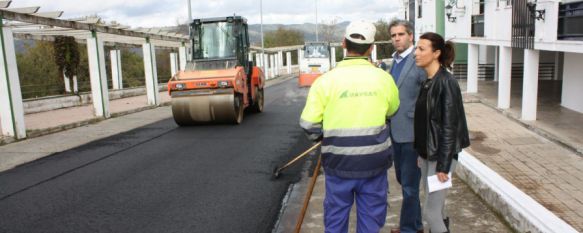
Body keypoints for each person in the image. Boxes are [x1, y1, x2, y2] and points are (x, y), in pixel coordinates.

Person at [300, 20, 400, 233]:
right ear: (371, 48)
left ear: (344, 43)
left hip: (338, 163)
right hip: (374, 163)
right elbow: (392, 111)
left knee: (336, 219)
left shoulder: (325, 81)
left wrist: (321, 138)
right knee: (371, 222)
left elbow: (308, 123)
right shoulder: (384, 79)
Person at [413, 32, 470, 233]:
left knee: (431, 213)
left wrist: (444, 166)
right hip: (429, 155)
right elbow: (425, 123)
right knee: (437, 208)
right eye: (416, 48)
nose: (416, 53)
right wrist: (421, 153)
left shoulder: (446, 82)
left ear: (436, 53)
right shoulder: (428, 81)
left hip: (441, 158)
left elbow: (449, 127)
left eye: (421, 49)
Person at [387, 19, 427, 233]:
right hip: (395, 132)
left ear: (411, 36)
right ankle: (416, 225)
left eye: (400, 34)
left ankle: (408, 229)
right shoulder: (394, 61)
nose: (396, 39)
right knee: (404, 181)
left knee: (410, 187)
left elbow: (427, 94)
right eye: (393, 35)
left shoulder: (418, 59)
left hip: (413, 135)